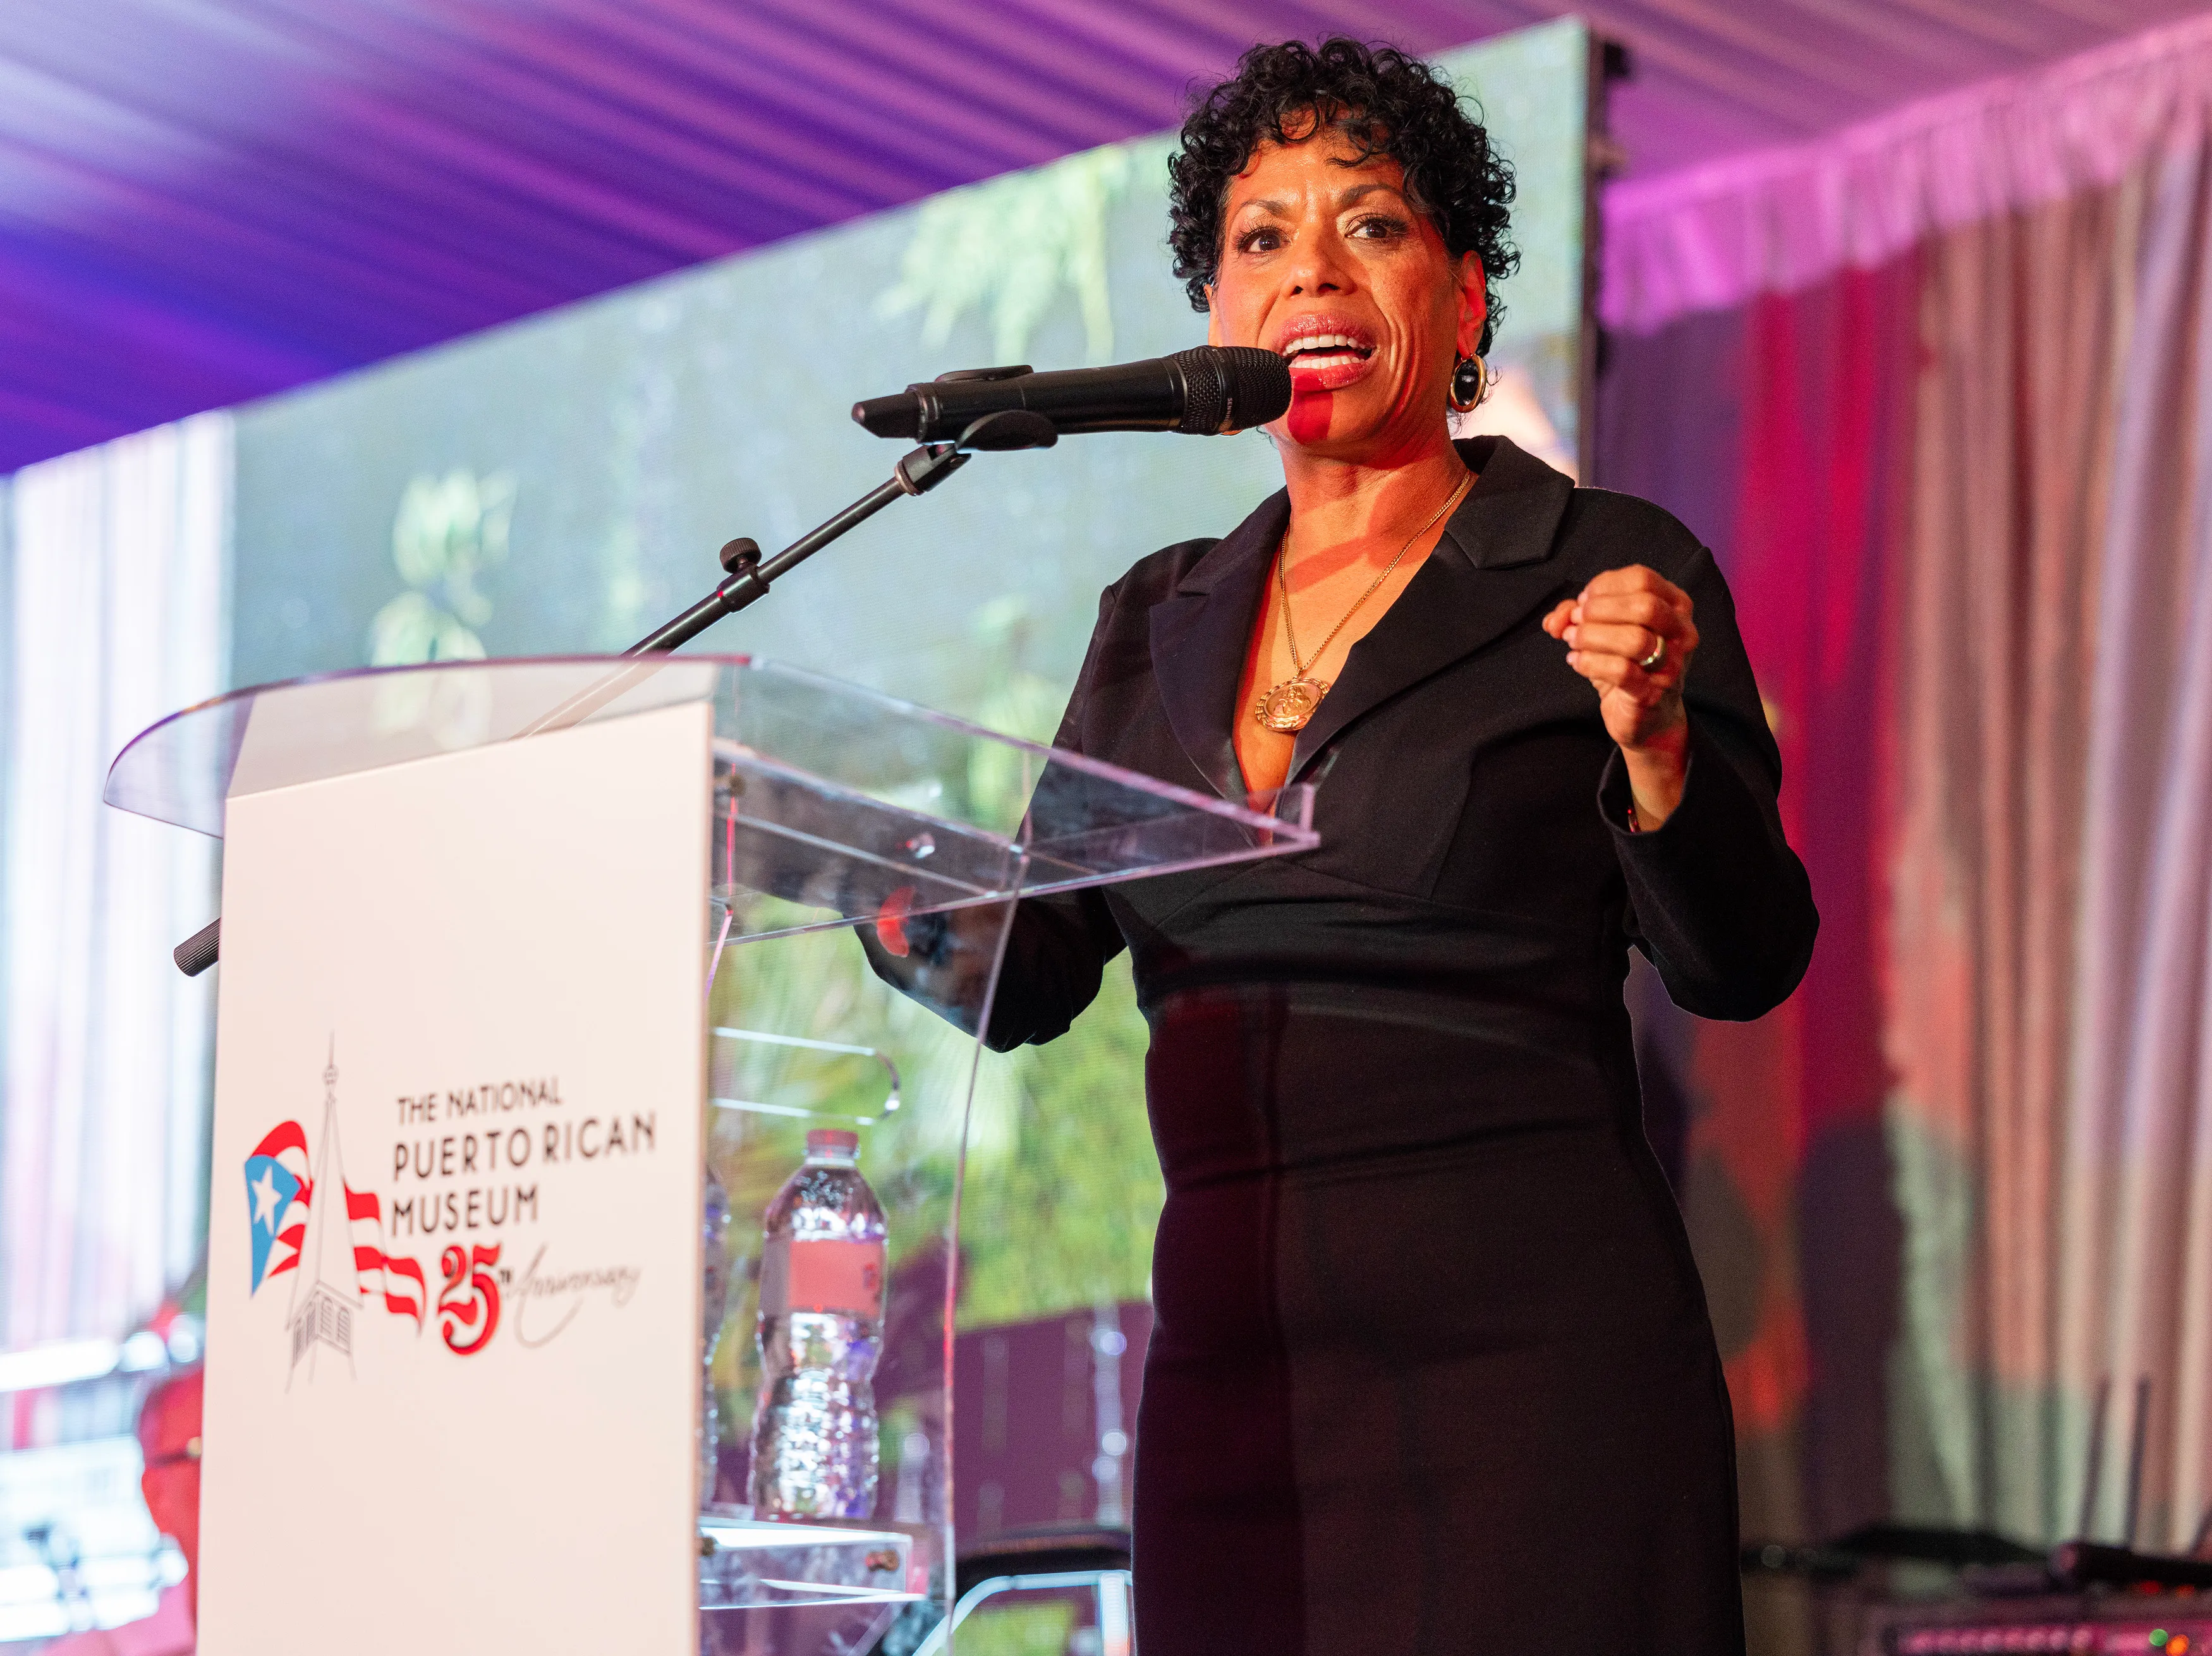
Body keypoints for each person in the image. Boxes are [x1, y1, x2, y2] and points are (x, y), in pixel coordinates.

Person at [871, 37, 1814, 1654]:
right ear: (1217, 320)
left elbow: (1743, 957)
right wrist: (860, 888)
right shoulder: (1155, 618)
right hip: (1235, 1384)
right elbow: (1031, 965)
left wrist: (1654, 743)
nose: (1310, 266)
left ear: (1460, 303)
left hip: (1534, 1376)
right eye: (1259, 237)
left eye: (1369, 225)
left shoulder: (1594, 564)